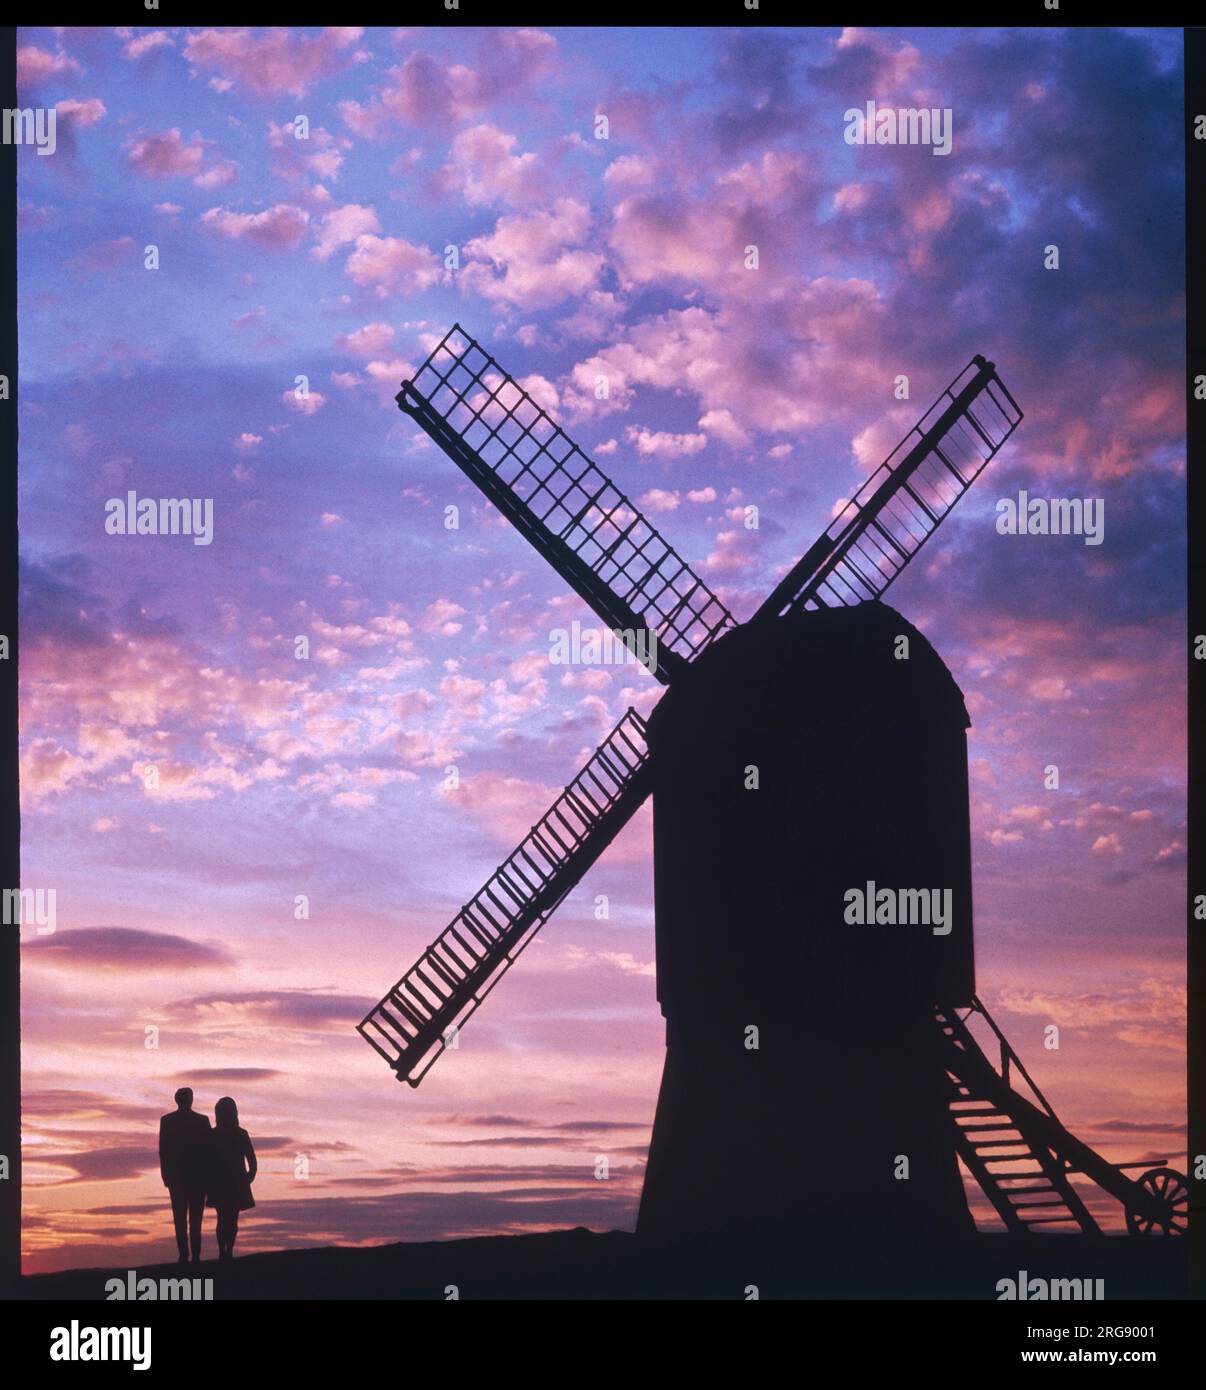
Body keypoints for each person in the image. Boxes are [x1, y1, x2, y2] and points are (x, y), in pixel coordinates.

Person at [158, 1087, 212, 1265]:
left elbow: (163, 1151)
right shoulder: (202, 1121)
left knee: (179, 1219)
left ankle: (184, 1255)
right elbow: (208, 1151)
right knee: (195, 1219)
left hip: (177, 1177)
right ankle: (195, 1256)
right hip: (197, 1178)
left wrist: (165, 1174)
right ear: (190, 1100)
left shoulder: (167, 1121)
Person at [207, 1096, 257, 1261]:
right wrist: (249, 1176)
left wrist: (250, 1176)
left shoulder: (214, 1135)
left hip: (222, 1182)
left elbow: (251, 1159)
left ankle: (225, 1250)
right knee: (230, 1219)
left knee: (224, 1218)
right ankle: (226, 1250)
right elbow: (252, 1159)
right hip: (231, 1182)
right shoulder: (239, 1134)